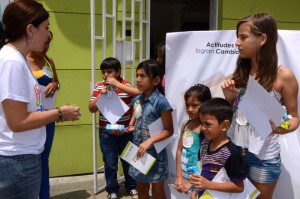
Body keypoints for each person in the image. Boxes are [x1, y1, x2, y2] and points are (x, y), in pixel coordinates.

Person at [0, 1, 81, 199]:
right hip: (17, 161)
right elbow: (17, 122)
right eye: (46, 28)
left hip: (22, 158)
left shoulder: (17, 58)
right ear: (30, 30)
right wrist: (60, 113)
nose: (47, 34)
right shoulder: (12, 61)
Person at [221, 13, 299, 199]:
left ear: (263, 39)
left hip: (263, 158)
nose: (237, 42)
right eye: (237, 37)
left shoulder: (283, 75)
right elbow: (227, 116)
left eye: (243, 37)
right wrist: (229, 98)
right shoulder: (238, 75)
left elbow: (294, 117)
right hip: (234, 150)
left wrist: (284, 127)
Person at [88, 57, 140, 199]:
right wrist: (100, 95)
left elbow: (139, 98)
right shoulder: (99, 87)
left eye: (109, 72)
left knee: (129, 161)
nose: (106, 75)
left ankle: (132, 186)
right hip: (106, 132)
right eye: (103, 72)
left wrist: (118, 85)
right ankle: (112, 190)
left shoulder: (126, 85)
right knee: (110, 163)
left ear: (117, 72)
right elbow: (91, 108)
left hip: (125, 131)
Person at [128, 59, 174, 199]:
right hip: (139, 153)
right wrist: (129, 127)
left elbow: (169, 130)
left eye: (143, 76)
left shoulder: (161, 102)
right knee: (141, 189)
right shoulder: (137, 100)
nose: (138, 79)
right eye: (137, 75)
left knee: (157, 192)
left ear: (155, 80)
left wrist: (150, 140)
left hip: (155, 155)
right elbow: (137, 118)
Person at [189, 98, 247, 198]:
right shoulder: (205, 144)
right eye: (202, 123)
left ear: (225, 125)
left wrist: (209, 185)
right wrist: (195, 191)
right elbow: (201, 170)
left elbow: (239, 187)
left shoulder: (231, 154)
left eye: (207, 124)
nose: (203, 128)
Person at [26, 30, 60, 199]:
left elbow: (57, 81)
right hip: (29, 120)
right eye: (44, 42)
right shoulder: (21, 61)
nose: (46, 47)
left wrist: (55, 84)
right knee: (31, 160)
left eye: (49, 43)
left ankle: (44, 195)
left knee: (44, 159)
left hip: (48, 118)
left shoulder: (49, 60)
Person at [174, 84, 212, 199]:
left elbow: (209, 158)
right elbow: (179, 150)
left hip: (199, 179)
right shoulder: (185, 124)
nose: (190, 109)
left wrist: (193, 182)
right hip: (184, 176)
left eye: (195, 105)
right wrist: (179, 176)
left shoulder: (206, 129)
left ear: (206, 104)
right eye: (187, 105)